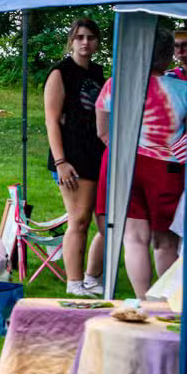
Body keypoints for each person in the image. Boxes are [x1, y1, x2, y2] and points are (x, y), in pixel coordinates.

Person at [95, 28, 187, 298]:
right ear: (168, 56)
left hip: (123, 164)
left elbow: (103, 131)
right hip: (166, 169)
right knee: (165, 242)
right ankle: (166, 304)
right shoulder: (182, 88)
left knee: (133, 238)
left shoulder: (116, 83)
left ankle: (143, 302)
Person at [43, 18, 107, 297]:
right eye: (79, 37)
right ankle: (74, 283)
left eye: (91, 37)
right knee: (79, 219)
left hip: (97, 153)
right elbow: (51, 120)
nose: (85, 42)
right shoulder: (60, 73)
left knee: (105, 221)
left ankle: (92, 277)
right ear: (71, 40)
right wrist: (61, 161)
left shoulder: (97, 73)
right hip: (70, 157)